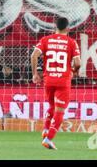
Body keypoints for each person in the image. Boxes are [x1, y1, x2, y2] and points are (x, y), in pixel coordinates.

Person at [31, 17, 81, 150]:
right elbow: (78, 63)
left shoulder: (45, 40)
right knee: (59, 111)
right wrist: (74, 71)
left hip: (48, 80)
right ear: (68, 28)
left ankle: (46, 130)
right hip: (63, 81)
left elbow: (34, 56)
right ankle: (48, 139)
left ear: (55, 28)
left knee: (52, 106)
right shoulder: (71, 42)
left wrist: (35, 74)